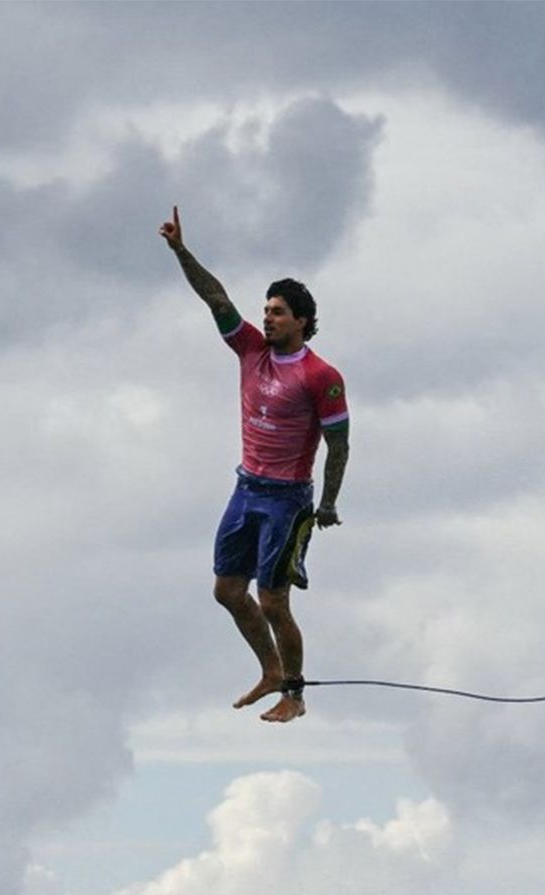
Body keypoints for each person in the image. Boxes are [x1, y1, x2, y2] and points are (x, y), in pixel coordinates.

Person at [160, 206, 349, 724]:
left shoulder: (321, 375)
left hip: (288, 500)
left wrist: (328, 503)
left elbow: (339, 444)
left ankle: (295, 694)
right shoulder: (250, 350)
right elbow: (216, 298)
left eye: (278, 312)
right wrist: (180, 251)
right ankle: (270, 671)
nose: (267, 318)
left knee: (273, 601)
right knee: (227, 591)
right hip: (246, 489)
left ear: (302, 321)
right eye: (266, 310)